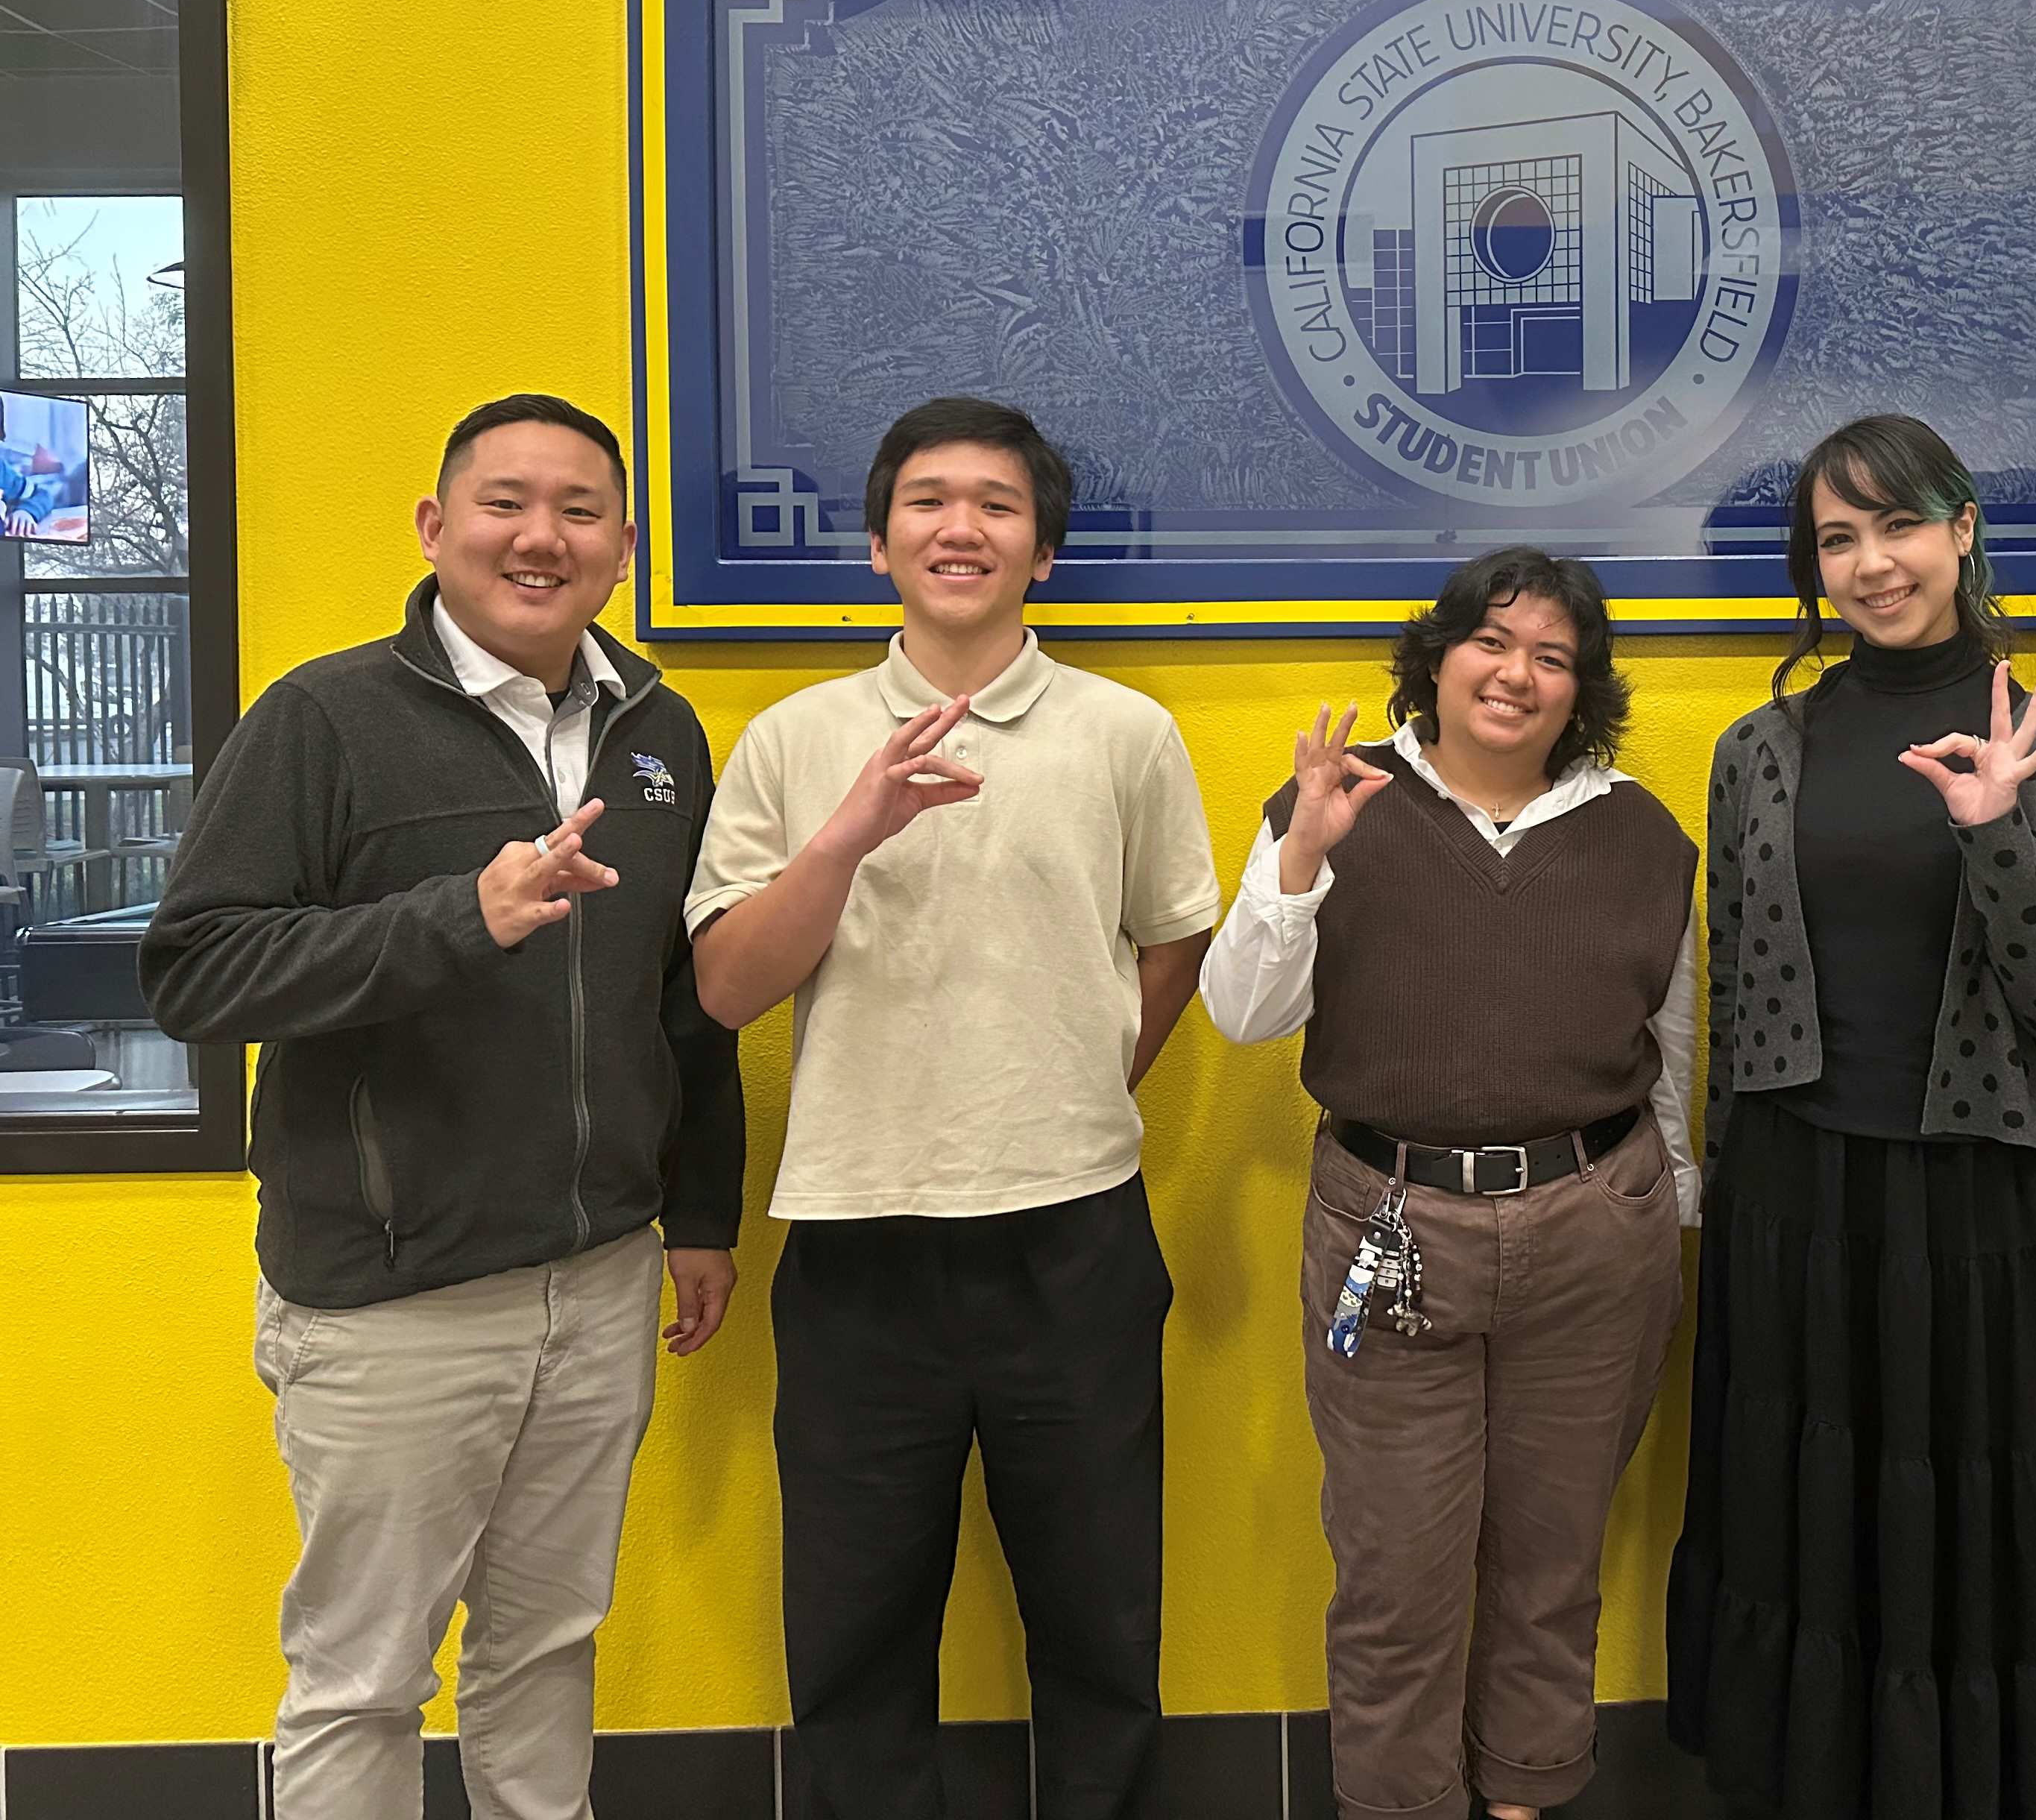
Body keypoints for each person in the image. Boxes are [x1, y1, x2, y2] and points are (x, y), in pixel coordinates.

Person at [141, 392, 744, 1820]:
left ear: (620, 548)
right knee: (362, 1679)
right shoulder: (326, 716)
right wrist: (458, 917)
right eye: (505, 503)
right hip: (392, 1296)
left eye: (579, 512)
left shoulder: (661, 729)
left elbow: (683, 996)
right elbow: (198, 971)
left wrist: (698, 1212)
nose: (540, 537)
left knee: (545, 1648)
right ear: (437, 527)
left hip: (599, 1282)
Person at [684, 395, 1220, 1820]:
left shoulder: (1126, 732)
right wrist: (848, 835)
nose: (960, 527)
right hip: (861, 1246)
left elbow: (1176, 937)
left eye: (995, 503)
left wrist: (1093, 1071)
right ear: (877, 544)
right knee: (857, 1632)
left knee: (1102, 1623)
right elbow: (728, 987)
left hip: (1075, 1236)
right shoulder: (795, 741)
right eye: (927, 501)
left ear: (1042, 549)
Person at [1667, 413, 2036, 1819]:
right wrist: (1717, 1197)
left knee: (1972, 1536)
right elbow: (1738, 992)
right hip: (1794, 1202)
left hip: (1977, 1200)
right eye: (1839, 539)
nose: (1875, 564)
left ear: (1965, 530)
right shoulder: (1762, 748)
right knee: (1804, 1528)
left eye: (1900, 525)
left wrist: (1996, 832)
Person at [1199, 547, 1701, 1820]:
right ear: (1436, 659)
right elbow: (1245, 1015)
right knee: (1396, 1572)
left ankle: (1528, 1795)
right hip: (1388, 1225)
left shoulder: (1641, 832)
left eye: (1552, 656)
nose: (1516, 674)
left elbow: (1678, 1035)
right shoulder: (1336, 804)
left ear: (1581, 689)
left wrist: (1673, 1205)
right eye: (1490, 640)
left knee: (1551, 1561)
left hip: (1597, 1224)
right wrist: (1302, 854)